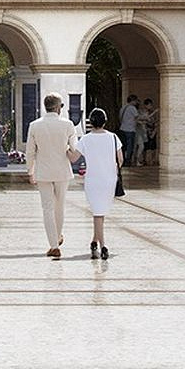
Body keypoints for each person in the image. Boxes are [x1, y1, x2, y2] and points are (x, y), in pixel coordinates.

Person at [23, 93, 78, 258]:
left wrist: (30, 171)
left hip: (43, 172)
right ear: (58, 107)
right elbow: (74, 149)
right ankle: (58, 235)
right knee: (59, 206)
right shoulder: (68, 125)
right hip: (62, 171)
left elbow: (30, 152)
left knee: (47, 208)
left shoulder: (34, 125)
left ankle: (54, 245)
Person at [76, 107, 124, 260]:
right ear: (105, 121)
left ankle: (103, 246)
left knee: (98, 213)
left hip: (93, 180)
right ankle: (94, 241)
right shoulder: (114, 138)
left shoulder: (85, 139)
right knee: (100, 213)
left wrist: (64, 147)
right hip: (109, 179)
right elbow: (120, 160)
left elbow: (73, 157)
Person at [117, 95, 140, 167]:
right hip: (130, 130)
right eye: (136, 101)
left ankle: (122, 159)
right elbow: (137, 117)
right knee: (130, 146)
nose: (136, 102)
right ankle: (128, 160)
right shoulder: (132, 108)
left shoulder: (123, 108)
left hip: (122, 128)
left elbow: (120, 118)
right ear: (133, 101)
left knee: (123, 146)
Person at [140, 99, 159, 167]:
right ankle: (145, 160)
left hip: (152, 131)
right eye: (149, 105)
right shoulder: (143, 112)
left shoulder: (153, 113)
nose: (151, 106)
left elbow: (156, 122)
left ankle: (152, 160)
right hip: (146, 131)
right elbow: (145, 119)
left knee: (153, 146)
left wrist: (155, 131)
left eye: (151, 105)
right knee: (145, 146)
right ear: (145, 105)